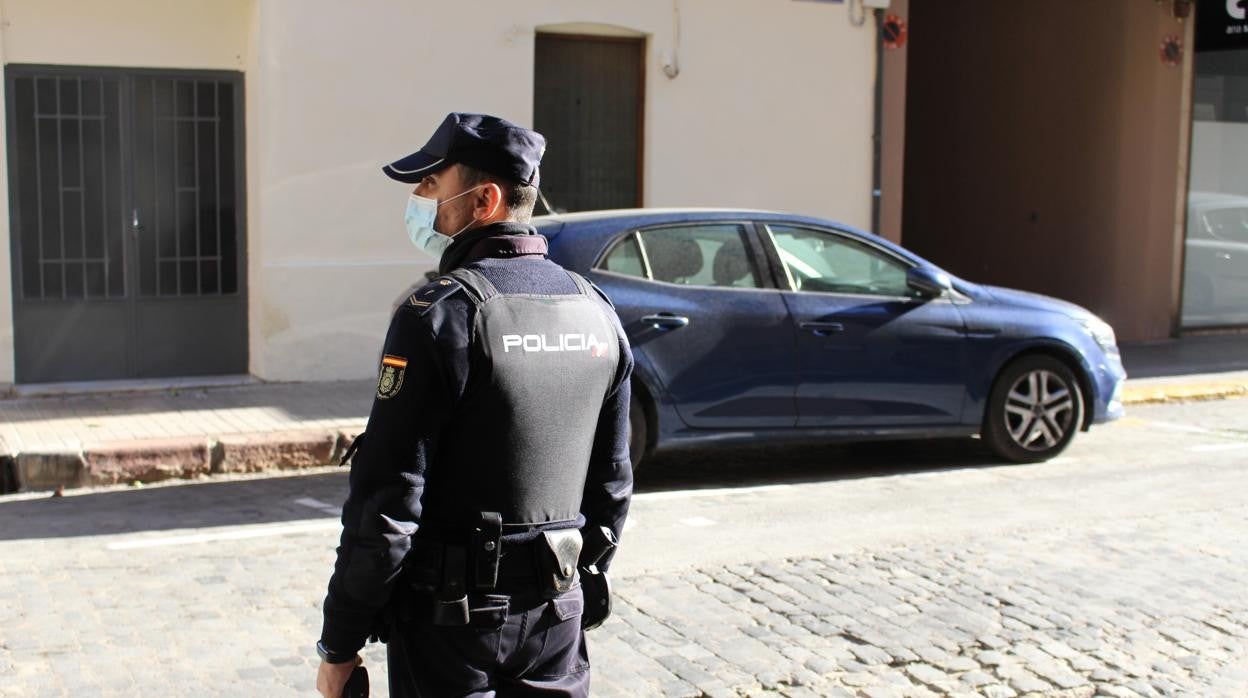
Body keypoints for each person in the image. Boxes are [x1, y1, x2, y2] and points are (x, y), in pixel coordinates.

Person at [315, 112, 634, 698]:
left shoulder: (439, 315)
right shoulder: (596, 311)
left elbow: (386, 505)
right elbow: (611, 487)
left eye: (432, 184)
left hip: (450, 634)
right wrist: (578, 586)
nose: (418, 198)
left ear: (483, 199)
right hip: (555, 623)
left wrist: (340, 643)